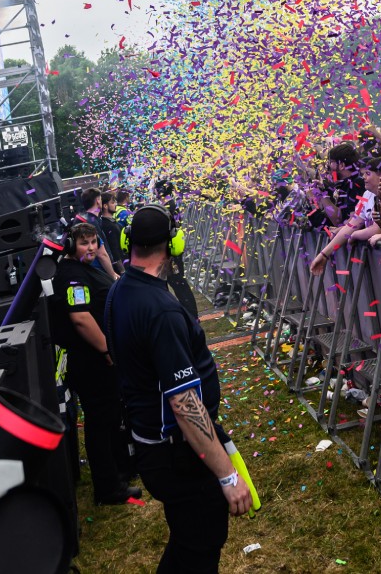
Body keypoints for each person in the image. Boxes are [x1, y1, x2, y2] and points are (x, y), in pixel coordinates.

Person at [105, 204, 250, 572]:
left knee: (188, 542)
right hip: (177, 454)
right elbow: (185, 405)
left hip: (154, 446)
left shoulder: (121, 290)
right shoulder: (160, 310)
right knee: (199, 545)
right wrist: (228, 476)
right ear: (172, 245)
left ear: (129, 243)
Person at [50, 222, 136, 504]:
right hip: (91, 361)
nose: (90, 247)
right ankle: (109, 488)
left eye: (93, 242)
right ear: (72, 245)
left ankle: (118, 474)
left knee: (110, 417)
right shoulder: (71, 275)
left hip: (98, 360)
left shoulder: (85, 268)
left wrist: (101, 257)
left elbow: (113, 285)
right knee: (100, 422)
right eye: (84, 243)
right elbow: (81, 318)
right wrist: (107, 350)